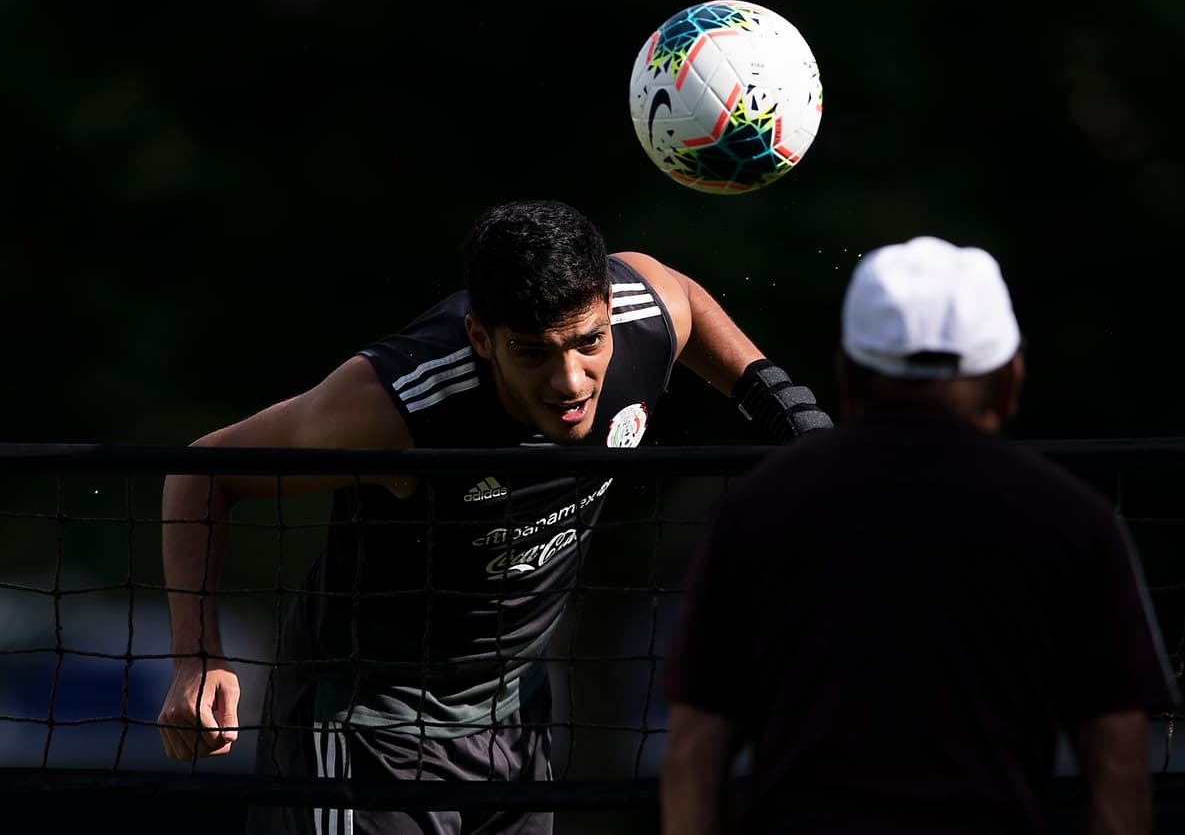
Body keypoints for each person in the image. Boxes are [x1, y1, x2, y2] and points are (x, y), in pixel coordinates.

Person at [155, 198, 832, 834]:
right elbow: (202, 471)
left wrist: (783, 404)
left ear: (607, 311)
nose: (570, 381)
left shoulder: (643, 312)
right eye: (534, 352)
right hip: (368, 722)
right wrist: (197, 658)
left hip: (516, 713)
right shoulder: (390, 408)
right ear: (482, 336)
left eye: (589, 342)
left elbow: (679, 291)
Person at [660, 235, 1181, 835]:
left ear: (847, 378)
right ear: (1010, 379)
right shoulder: (1074, 518)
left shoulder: (755, 510)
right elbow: (1118, 765)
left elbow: (695, 753)